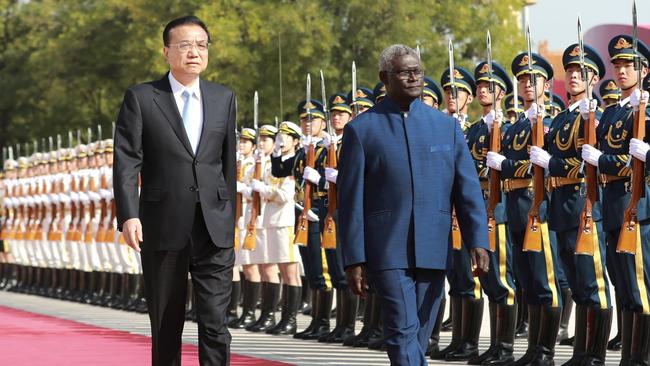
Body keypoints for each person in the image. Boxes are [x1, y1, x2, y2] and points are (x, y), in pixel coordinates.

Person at [338, 43, 489, 366]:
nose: (413, 77)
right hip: (387, 249)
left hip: (434, 246)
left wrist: (478, 241)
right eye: (404, 72)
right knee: (402, 327)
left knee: (419, 330)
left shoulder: (446, 127)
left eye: (417, 71)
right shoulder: (361, 130)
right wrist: (354, 259)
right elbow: (350, 202)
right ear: (384, 78)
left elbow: (467, 190)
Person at [113, 15, 236, 366]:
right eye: (184, 45)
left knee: (216, 323)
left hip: (214, 226)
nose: (194, 52)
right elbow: (126, 161)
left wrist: (231, 216)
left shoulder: (223, 98)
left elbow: (228, 165)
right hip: (163, 223)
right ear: (167, 52)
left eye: (201, 45)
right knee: (167, 324)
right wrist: (129, 215)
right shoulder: (142, 97)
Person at [487, 52, 564, 366]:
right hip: (515, 207)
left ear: (546, 83)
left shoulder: (550, 121)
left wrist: (507, 165)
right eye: (522, 80)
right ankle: (533, 350)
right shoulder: (518, 124)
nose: (527, 84)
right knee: (528, 283)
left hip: (537, 206)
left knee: (545, 282)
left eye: (533, 79)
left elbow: (542, 165)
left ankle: (545, 351)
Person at [584, 34, 650, 366]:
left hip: (634, 204)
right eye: (619, 65)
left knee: (640, 286)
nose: (622, 70)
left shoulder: (647, 110)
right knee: (622, 287)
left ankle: (641, 359)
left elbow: (629, 159)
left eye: (630, 65)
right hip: (610, 206)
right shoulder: (610, 114)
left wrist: (645, 153)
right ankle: (628, 357)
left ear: (644, 69)